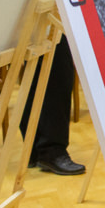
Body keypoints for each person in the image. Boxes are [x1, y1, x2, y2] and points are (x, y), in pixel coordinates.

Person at [20, 36, 86, 175]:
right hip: (47, 22)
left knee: (36, 77)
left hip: (37, 22)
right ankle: (51, 151)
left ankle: (35, 150)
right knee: (58, 75)